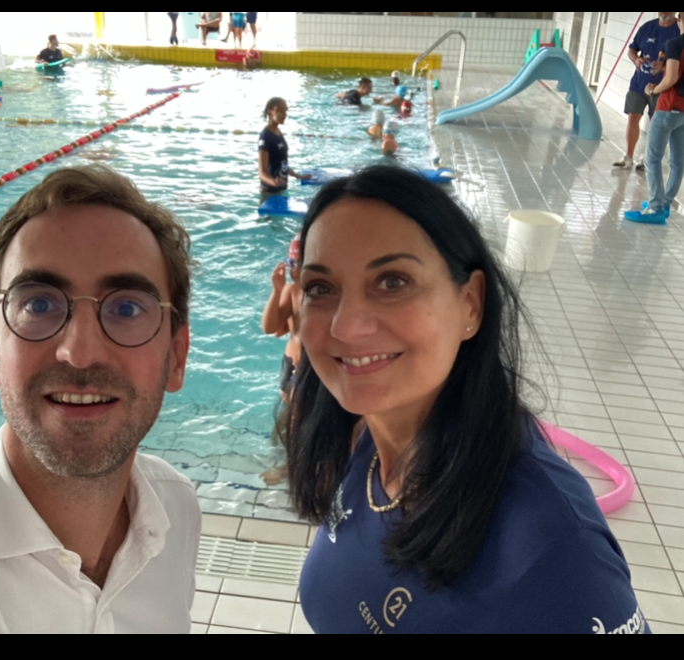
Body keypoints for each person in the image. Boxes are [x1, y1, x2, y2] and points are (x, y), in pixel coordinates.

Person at [285, 166, 650, 634]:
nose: (346, 326)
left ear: (471, 304)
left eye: (393, 282)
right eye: (321, 288)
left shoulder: (553, 550)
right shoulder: (368, 434)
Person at [0, 165, 201, 634]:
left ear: (177, 356)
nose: (80, 352)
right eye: (39, 304)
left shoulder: (176, 512)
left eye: (127, 307)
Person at [625, 12, 684, 225]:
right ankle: (665, 203)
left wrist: (653, 89)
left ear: (680, 19)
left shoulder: (675, 43)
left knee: (652, 159)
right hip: (683, 111)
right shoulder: (654, 31)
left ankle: (655, 207)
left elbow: (671, 78)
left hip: (668, 106)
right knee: (677, 161)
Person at [613, 12, 679, 171]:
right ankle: (628, 156)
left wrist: (665, 66)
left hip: (662, 87)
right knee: (633, 117)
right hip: (639, 83)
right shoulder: (647, 27)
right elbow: (632, 49)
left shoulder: (678, 30)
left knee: (655, 123)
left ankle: (646, 158)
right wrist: (636, 59)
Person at [262, 235, 304, 403]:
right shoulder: (291, 291)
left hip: (311, 365)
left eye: (299, 264)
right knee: (288, 404)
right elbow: (270, 328)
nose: (294, 270)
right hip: (291, 360)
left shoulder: (327, 297)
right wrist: (277, 290)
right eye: (291, 263)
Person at [258, 97, 311, 193]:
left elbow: (282, 164)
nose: (284, 114)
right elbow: (262, 173)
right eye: (280, 110)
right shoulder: (265, 136)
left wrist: (297, 176)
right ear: (270, 112)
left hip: (280, 189)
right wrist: (274, 182)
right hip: (269, 192)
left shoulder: (277, 132)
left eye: (285, 110)